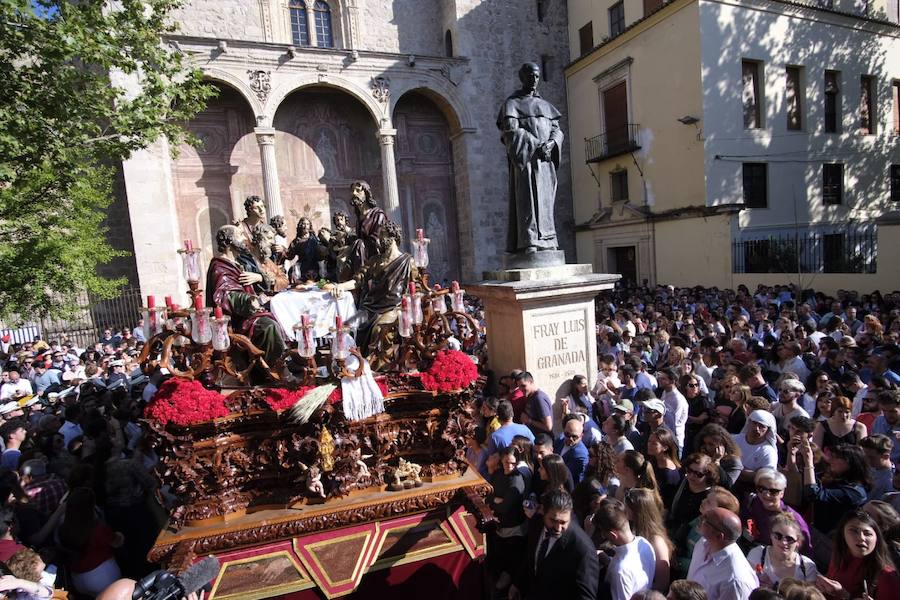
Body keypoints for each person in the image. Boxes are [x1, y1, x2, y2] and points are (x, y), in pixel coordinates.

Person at [496, 62, 563, 256]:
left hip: (545, 161)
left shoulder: (546, 106)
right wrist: (535, 145)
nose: (534, 79)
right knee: (528, 201)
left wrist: (551, 144)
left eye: (536, 76)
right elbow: (510, 131)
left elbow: (557, 130)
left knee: (545, 202)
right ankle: (529, 241)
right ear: (522, 77)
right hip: (526, 161)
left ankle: (549, 241)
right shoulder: (512, 104)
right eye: (530, 76)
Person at [327, 221, 416, 359]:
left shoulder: (407, 262)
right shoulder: (374, 261)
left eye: (382, 236)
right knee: (351, 326)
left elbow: (416, 289)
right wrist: (340, 286)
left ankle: (380, 366)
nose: (378, 240)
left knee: (379, 330)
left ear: (392, 237)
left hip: (393, 307)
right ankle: (357, 360)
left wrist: (408, 308)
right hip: (371, 307)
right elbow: (358, 280)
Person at [205, 224, 287, 367]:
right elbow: (226, 295)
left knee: (279, 316)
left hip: (247, 314)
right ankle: (268, 369)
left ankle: (278, 363)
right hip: (235, 319)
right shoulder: (220, 266)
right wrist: (252, 300)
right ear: (230, 240)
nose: (245, 238)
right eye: (240, 235)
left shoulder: (235, 263)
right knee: (269, 327)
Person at [509, 489, 599, 600]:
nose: (558, 528)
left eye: (563, 522)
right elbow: (530, 557)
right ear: (543, 511)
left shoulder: (583, 549)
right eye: (553, 520)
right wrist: (517, 584)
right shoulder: (537, 523)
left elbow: (585, 597)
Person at [815, 510, 900, 600]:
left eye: (867, 533)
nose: (861, 538)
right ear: (843, 534)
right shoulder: (838, 559)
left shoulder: (886, 576)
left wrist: (845, 595)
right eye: (854, 531)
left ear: (877, 539)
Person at [687, 507, 759, 600]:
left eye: (705, 520)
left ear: (719, 536)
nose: (699, 520)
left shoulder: (735, 580)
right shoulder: (703, 543)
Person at [593, 498, 656, 600]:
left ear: (613, 535)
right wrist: (608, 561)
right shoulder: (645, 544)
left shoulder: (620, 571)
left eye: (603, 532)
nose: (602, 535)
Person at [742, 468, 812, 555]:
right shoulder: (752, 502)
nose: (766, 494)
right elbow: (744, 520)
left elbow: (804, 550)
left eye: (773, 491)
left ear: (782, 493)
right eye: (761, 488)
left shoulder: (793, 520)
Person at [487, 446, 528, 593]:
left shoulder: (516, 481)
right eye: (506, 462)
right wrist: (495, 500)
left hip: (513, 528)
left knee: (510, 558)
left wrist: (496, 501)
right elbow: (489, 494)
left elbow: (505, 507)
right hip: (500, 525)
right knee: (500, 555)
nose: (509, 466)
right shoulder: (498, 474)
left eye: (513, 463)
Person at [746, 512, 818, 587]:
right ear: (771, 535)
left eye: (789, 539)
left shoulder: (807, 567)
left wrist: (774, 589)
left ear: (798, 541)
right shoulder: (757, 554)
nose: (783, 542)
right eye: (778, 536)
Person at [623, 488, 674, 592]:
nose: (624, 509)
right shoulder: (633, 528)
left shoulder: (657, 541)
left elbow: (662, 583)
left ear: (637, 510)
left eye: (626, 507)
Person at [346, 180, 387, 274]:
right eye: (352, 191)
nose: (354, 193)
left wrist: (358, 243)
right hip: (360, 253)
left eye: (358, 190)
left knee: (358, 244)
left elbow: (378, 239)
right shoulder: (359, 217)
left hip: (374, 255)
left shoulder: (378, 214)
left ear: (366, 193)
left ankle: (360, 278)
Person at [734, 410, 779, 485]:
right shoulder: (734, 439)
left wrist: (736, 469)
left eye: (761, 426)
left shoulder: (768, 451)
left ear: (768, 430)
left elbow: (766, 477)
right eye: (754, 423)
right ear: (749, 423)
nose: (756, 428)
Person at [647, 426, 683, 508]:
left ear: (665, 447)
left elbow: (665, 501)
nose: (649, 445)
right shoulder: (653, 461)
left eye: (654, 443)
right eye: (649, 441)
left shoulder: (668, 474)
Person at [657, 368, 688, 455]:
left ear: (672, 381)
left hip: (674, 441)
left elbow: (673, 424)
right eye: (660, 378)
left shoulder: (678, 400)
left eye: (663, 379)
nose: (660, 380)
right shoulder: (665, 392)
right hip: (664, 439)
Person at [555, 416, 589, 484]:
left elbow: (578, 480)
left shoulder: (581, 455)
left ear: (581, 436)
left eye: (574, 437)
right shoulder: (560, 440)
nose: (570, 438)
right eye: (567, 434)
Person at [518, 372, 553, 436]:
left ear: (531, 382)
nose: (521, 389)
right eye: (519, 387)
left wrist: (529, 420)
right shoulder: (529, 396)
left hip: (543, 441)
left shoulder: (539, 398)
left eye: (523, 386)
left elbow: (548, 427)